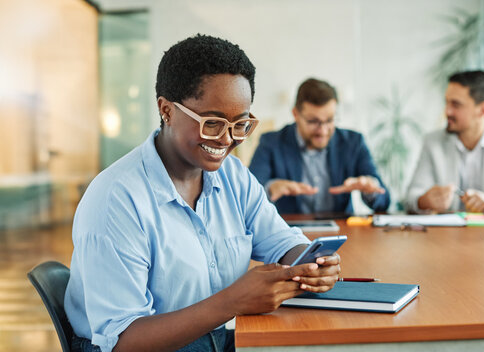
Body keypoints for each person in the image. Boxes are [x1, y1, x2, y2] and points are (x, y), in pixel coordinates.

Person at [64, 35, 341, 352]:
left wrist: (308, 262)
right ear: (167, 110)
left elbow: (280, 239)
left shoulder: (232, 176)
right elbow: (121, 341)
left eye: (240, 124)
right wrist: (232, 301)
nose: (227, 139)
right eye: (212, 123)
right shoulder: (116, 200)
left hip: (215, 337)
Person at [249, 78, 390, 215]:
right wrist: (269, 189)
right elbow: (247, 197)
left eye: (329, 120)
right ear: (295, 114)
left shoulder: (353, 142)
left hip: (342, 231)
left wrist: (370, 189)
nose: (323, 130)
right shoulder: (271, 143)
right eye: (313, 121)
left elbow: (384, 201)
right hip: (288, 232)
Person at [404, 70, 484, 214]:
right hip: (446, 234)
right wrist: (424, 201)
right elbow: (411, 197)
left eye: (456, 104)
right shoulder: (433, 142)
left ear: (483, 110)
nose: (447, 111)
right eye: (446, 102)